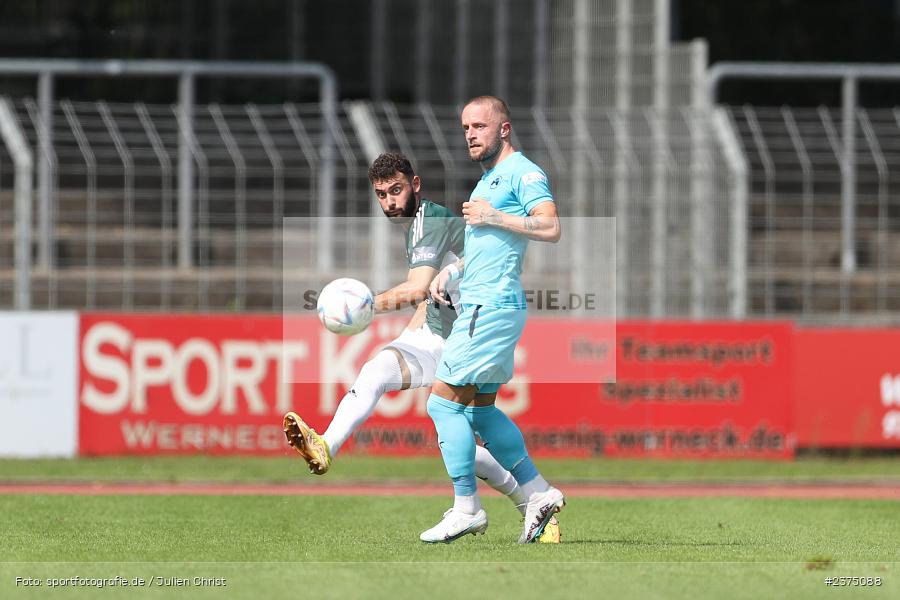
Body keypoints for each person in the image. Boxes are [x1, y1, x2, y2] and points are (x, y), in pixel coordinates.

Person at [283, 152, 561, 543]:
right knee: (447, 415)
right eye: (381, 194)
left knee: (457, 418)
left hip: (470, 329)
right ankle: (534, 501)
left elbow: (416, 287)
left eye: (396, 190)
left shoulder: (429, 220)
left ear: (415, 185)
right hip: (450, 328)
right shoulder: (421, 223)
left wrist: (364, 307)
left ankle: (507, 503)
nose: (389, 201)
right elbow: (431, 287)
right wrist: (418, 321)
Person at [420, 96, 565, 544]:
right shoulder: (488, 181)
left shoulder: (523, 171)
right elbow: (490, 244)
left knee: (442, 405)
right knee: (478, 411)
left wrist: (494, 216)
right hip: (488, 304)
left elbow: (551, 226)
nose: (470, 134)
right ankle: (538, 493)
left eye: (479, 126)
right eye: (465, 127)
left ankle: (467, 508)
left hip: (490, 307)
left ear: (504, 129)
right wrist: (455, 269)